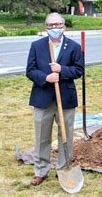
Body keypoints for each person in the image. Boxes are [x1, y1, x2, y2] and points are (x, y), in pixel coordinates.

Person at [26, 13, 84, 186]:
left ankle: (63, 168)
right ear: (46, 27)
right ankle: (41, 170)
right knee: (42, 136)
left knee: (65, 134)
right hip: (42, 98)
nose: (54, 28)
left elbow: (78, 70)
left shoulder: (73, 47)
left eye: (58, 24)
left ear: (64, 26)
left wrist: (62, 70)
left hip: (65, 97)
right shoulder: (37, 46)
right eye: (51, 25)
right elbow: (30, 70)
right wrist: (46, 78)